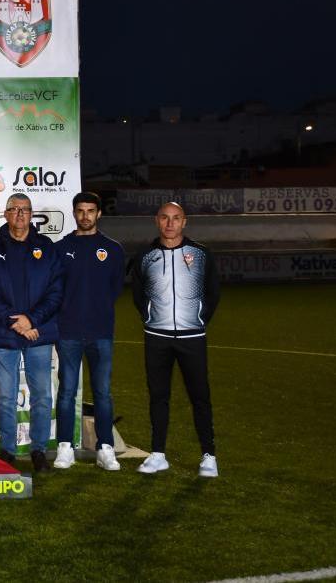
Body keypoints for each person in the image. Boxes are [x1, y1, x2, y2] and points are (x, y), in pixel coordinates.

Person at [0, 193, 63, 474]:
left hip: (38, 332)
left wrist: (32, 320)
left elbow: (56, 290)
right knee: (6, 398)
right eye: (14, 209)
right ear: (6, 214)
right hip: (4, 333)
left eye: (24, 210)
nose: (20, 214)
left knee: (42, 396)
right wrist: (14, 322)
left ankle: (38, 450)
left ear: (31, 214)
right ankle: (8, 451)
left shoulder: (46, 247)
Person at [131, 202, 221, 478]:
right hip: (156, 337)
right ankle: (158, 454)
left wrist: (199, 319)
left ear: (185, 222)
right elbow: (137, 293)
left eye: (176, 218)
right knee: (158, 396)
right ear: (157, 221)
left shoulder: (201, 253)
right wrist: (148, 316)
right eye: (165, 218)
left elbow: (213, 292)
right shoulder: (145, 255)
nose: (170, 223)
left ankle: (209, 455)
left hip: (192, 337)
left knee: (200, 396)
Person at [54, 192, 124, 471]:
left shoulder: (113, 249)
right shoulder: (61, 248)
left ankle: (105, 448)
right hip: (68, 331)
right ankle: (64, 448)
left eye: (90, 211)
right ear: (74, 213)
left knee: (103, 392)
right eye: (80, 210)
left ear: (99, 214)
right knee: (67, 391)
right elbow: (56, 289)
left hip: (101, 332)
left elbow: (115, 288)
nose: (85, 216)